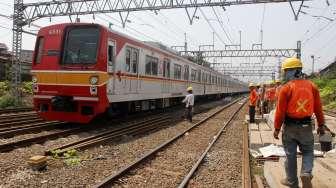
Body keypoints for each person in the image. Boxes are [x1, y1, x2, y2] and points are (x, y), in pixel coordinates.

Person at [273, 57, 333, 188]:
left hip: (290, 127)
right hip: (306, 126)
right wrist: (321, 125)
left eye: (286, 71)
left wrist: (277, 128)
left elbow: (280, 112)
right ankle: (306, 172)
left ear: (294, 71)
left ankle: (291, 181)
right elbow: (318, 109)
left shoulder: (286, 88)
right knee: (308, 152)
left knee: (290, 154)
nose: (285, 74)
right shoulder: (312, 86)